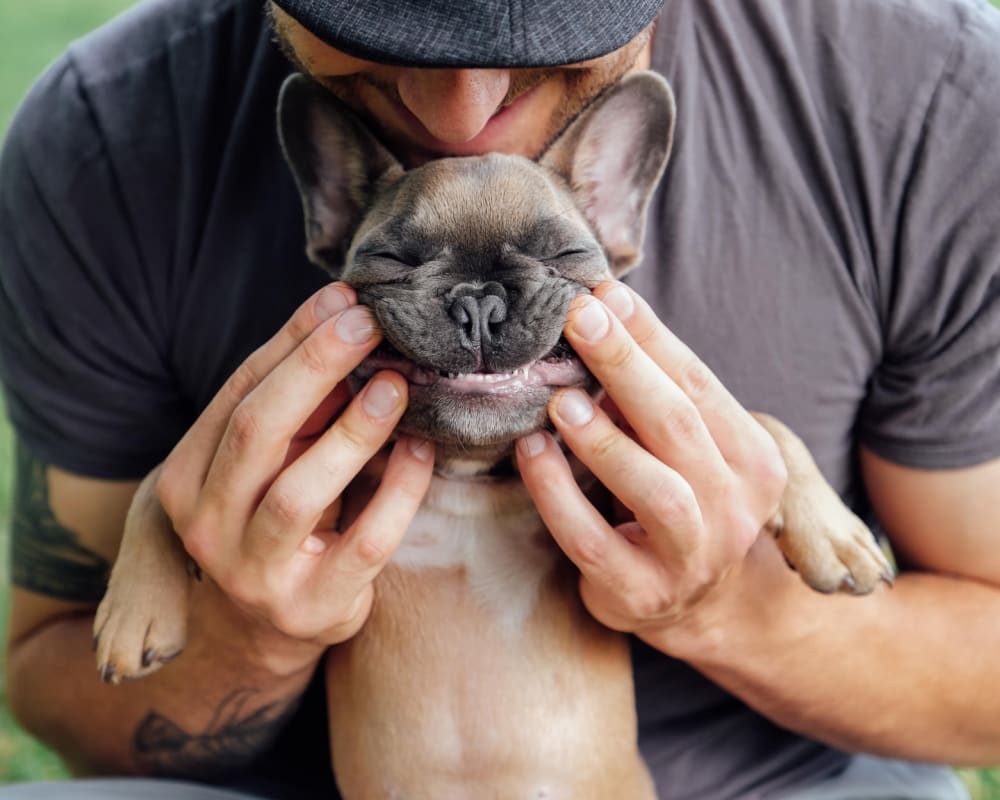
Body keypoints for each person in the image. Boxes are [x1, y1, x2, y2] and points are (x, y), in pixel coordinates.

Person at [0, 0, 998, 798]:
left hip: (779, 774)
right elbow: (58, 659)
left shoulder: (929, 98)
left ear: (612, 211)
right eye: (373, 31)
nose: (460, 108)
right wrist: (249, 634)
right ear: (334, 213)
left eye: (554, 41)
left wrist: (736, 606)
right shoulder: (108, 129)